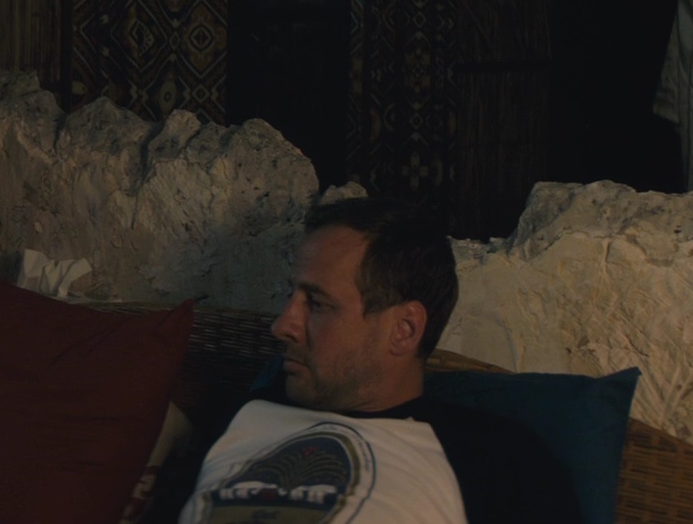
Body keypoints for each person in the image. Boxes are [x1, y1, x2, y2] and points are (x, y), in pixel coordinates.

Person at [177, 197, 583, 524]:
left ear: (403, 329)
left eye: (317, 304)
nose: (282, 325)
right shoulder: (243, 419)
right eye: (291, 295)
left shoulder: (495, 461)